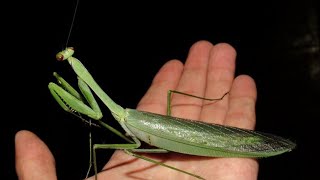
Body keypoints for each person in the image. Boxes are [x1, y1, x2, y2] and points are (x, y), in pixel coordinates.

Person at [15, 40, 258, 179]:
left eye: (66, 55)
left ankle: (200, 171)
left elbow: (96, 113)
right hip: (136, 120)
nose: (66, 56)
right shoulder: (117, 111)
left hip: (147, 127)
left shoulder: (112, 114)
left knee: (107, 144)